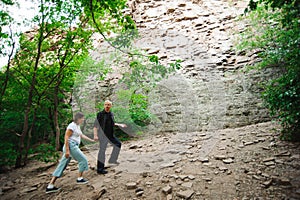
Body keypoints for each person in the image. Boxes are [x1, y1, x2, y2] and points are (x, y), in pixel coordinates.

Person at [46, 112, 95, 193]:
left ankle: (50, 186)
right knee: (83, 160)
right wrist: (67, 150)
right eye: (82, 118)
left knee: (62, 165)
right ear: (78, 118)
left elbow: (81, 135)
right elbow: (66, 137)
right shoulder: (71, 125)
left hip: (73, 146)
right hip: (71, 146)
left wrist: (92, 140)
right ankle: (80, 178)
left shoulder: (77, 126)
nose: (83, 120)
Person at [93, 100, 127, 174]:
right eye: (106, 104)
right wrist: (95, 135)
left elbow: (112, 123)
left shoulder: (111, 114)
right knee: (102, 151)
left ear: (111, 106)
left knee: (118, 144)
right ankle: (100, 169)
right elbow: (95, 126)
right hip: (102, 136)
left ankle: (112, 160)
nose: (107, 106)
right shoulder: (100, 114)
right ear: (104, 105)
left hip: (110, 135)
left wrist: (119, 125)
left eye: (109, 105)